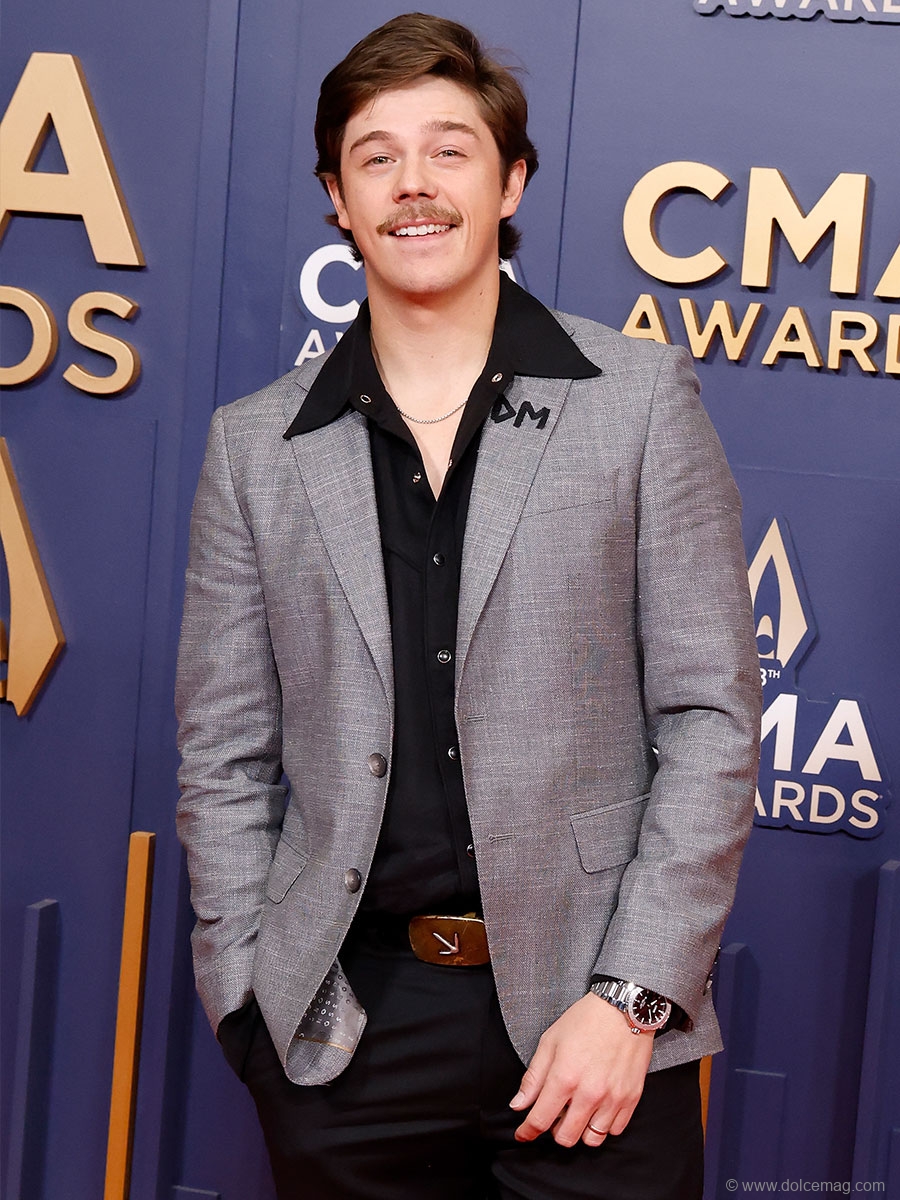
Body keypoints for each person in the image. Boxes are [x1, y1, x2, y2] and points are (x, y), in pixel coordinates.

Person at [175, 13, 761, 1199]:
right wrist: (247, 1002)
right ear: (338, 198)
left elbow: (712, 719)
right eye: (376, 156)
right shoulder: (255, 448)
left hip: (590, 1032)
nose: (414, 183)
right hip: (345, 1037)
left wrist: (633, 998)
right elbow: (222, 753)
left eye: (450, 149)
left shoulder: (638, 399)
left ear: (510, 183)